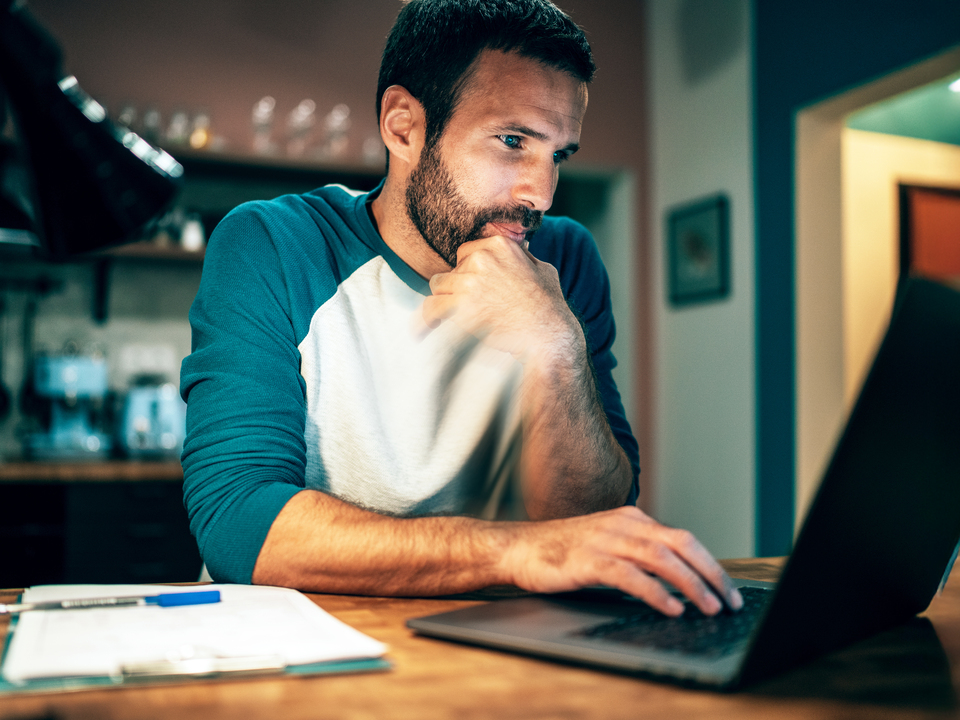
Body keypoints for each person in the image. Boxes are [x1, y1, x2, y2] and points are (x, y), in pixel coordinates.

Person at [180, 0, 742, 618]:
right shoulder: (273, 245)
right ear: (404, 128)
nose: (541, 193)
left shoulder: (565, 260)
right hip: (300, 646)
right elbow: (238, 522)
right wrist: (513, 553)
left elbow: (593, 524)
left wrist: (555, 347)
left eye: (559, 154)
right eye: (512, 141)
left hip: (497, 639)